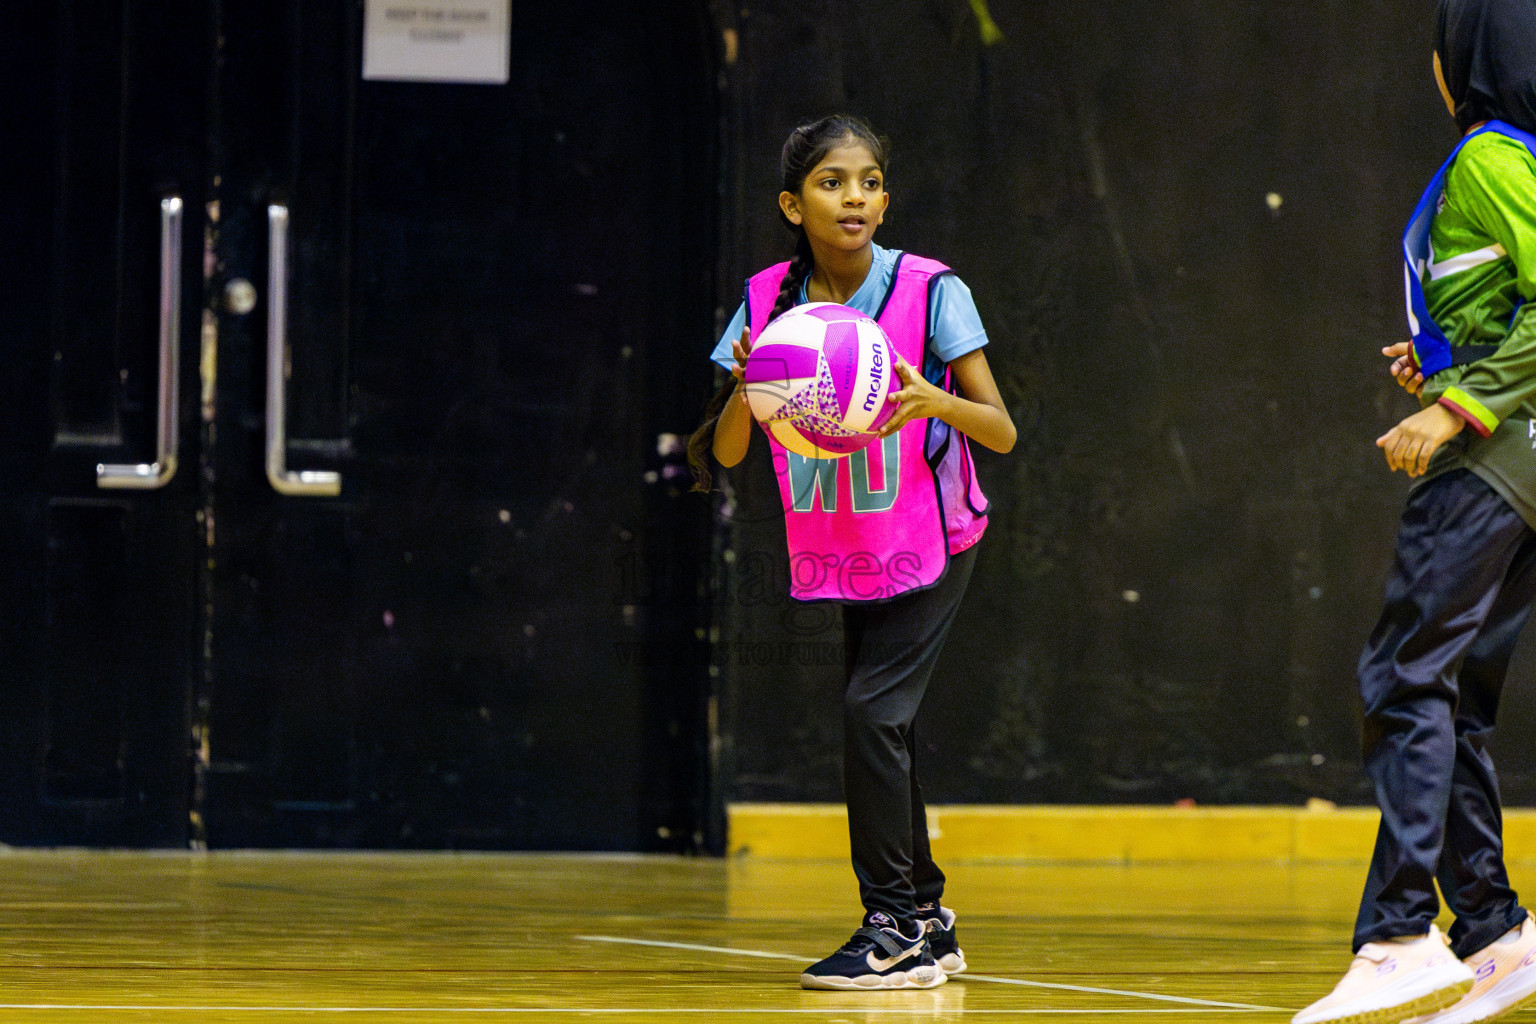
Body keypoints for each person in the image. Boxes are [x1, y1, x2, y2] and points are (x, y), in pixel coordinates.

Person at [688, 114, 1015, 990]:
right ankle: (931, 920)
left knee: (872, 713)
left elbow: (1003, 429)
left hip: (937, 534)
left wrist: (928, 402)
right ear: (793, 204)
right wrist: (748, 385)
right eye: (833, 183)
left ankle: (895, 924)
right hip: (850, 542)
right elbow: (722, 453)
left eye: (869, 181)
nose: (856, 198)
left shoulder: (930, 288)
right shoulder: (767, 302)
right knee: (885, 723)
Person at [1294, 1, 1536, 1022]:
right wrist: (1439, 362)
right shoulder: (1509, 160)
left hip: (1494, 465)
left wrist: (1458, 406)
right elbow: (1503, 300)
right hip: (1524, 466)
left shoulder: (1490, 154)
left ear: (1461, 59)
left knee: (1404, 676)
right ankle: (1494, 936)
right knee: (1456, 697)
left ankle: (1398, 933)